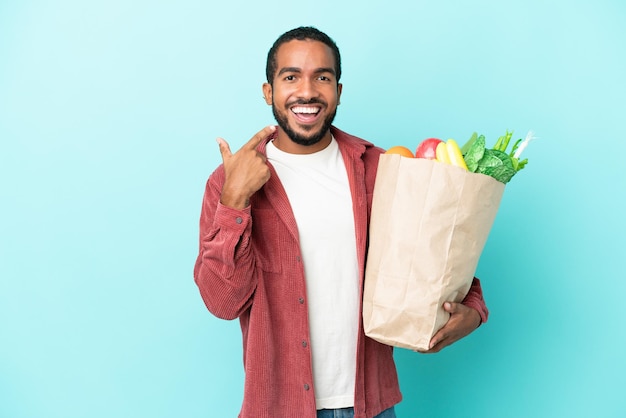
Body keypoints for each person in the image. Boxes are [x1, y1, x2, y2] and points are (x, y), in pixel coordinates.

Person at [193, 26, 489, 418]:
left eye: (323, 77)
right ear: (269, 91)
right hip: (278, 407)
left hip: (372, 404)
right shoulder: (229, 180)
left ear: (338, 91)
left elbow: (432, 247)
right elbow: (222, 302)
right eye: (291, 76)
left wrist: (473, 307)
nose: (308, 91)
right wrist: (235, 200)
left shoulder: (378, 168)